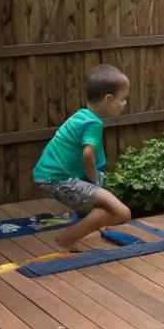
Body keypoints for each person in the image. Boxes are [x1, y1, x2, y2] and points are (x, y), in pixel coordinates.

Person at [33, 63, 132, 252]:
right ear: (109, 99)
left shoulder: (82, 116)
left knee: (101, 208)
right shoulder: (93, 123)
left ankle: (76, 233)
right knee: (122, 213)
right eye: (123, 99)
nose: (125, 103)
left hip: (48, 175)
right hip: (58, 179)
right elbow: (88, 154)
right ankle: (65, 239)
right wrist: (94, 180)